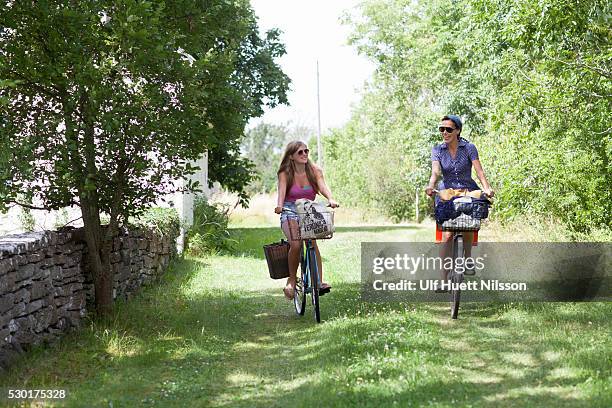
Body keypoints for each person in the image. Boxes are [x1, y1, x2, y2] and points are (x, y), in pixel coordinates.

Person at [425, 115, 494, 286]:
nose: (444, 132)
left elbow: (479, 171)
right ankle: (443, 280)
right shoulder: (437, 150)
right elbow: (435, 172)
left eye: (449, 129)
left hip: (467, 189)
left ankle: (468, 258)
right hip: (447, 191)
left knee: (469, 223)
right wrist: (430, 185)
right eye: (442, 129)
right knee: (447, 235)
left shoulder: (469, 147)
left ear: (458, 131)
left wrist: (487, 187)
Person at [274, 141, 339, 299]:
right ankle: (291, 279)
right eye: (300, 152)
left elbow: (322, 186)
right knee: (296, 243)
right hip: (289, 210)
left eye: (306, 151)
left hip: (309, 209)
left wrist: (330, 198)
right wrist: (279, 205)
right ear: (291, 156)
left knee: (312, 242)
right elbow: (282, 191)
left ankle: (318, 282)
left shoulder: (315, 170)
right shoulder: (285, 173)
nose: (304, 154)